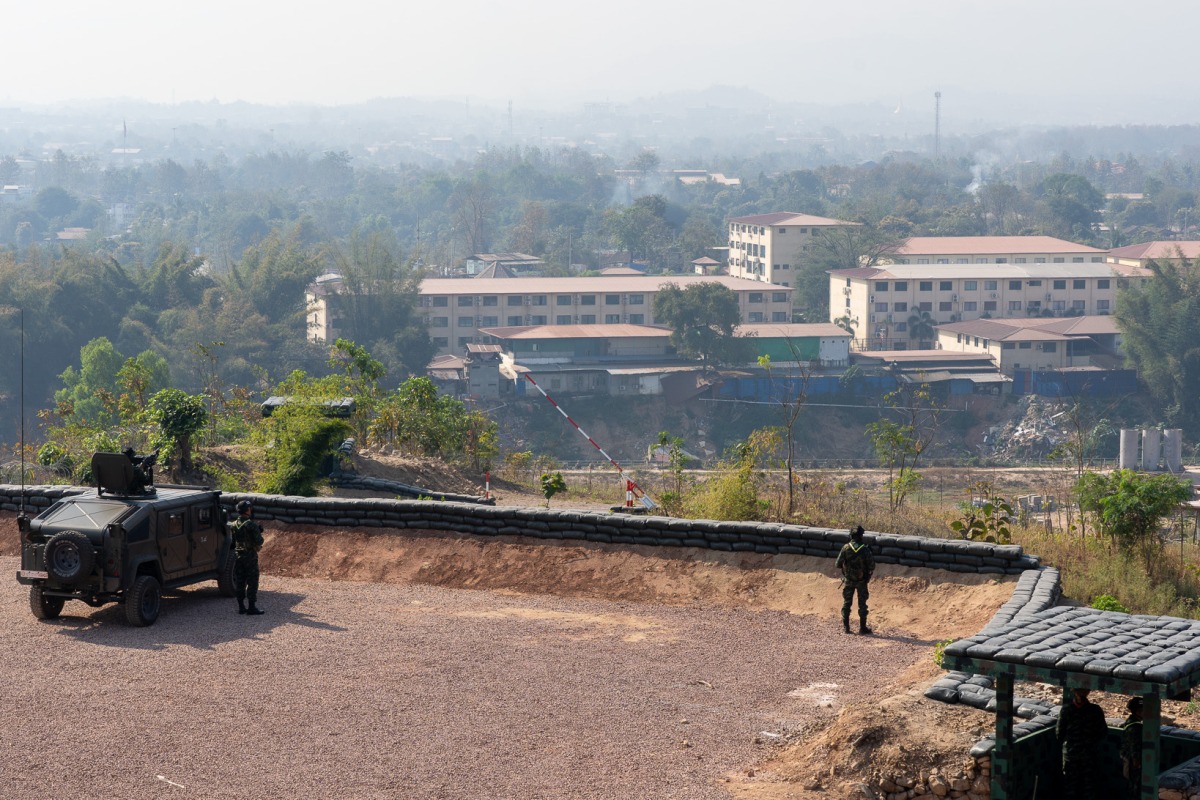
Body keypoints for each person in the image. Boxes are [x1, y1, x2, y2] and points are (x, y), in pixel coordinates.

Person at [1057, 687, 1108, 800]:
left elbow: (1059, 734)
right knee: (1086, 786)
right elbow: (1103, 732)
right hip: (1087, 754)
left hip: (1074, 754)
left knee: (1073, 785)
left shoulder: (1066, 710)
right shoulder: (1095, 710)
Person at [835, 525, 875, 635]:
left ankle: (846, 627)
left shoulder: (846, 548)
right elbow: (872, 566)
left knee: (847, 603)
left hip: (848, 580)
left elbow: (837, 564)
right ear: (861, 536)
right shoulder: (865, 549)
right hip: (861, 581)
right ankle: (862, 628)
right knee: (862, 604)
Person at [230, 500, 265, 615]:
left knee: (240, 581)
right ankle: (251, 607)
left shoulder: (234, 524)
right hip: (250, 556)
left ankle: (241, 607)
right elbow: (259, 541)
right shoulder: (251, 524)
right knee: (252, 581)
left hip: (238, 556)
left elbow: (233, 543)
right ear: (247, 510)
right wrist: (259, 532)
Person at [1121, 697, 1144, 799]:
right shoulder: (1135, 727)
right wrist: (1137, 763)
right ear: (1138, 711)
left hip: (1129, 761)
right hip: (1133, 764)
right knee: (1135, 790)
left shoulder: (1131, 722)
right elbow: (1135, 747)